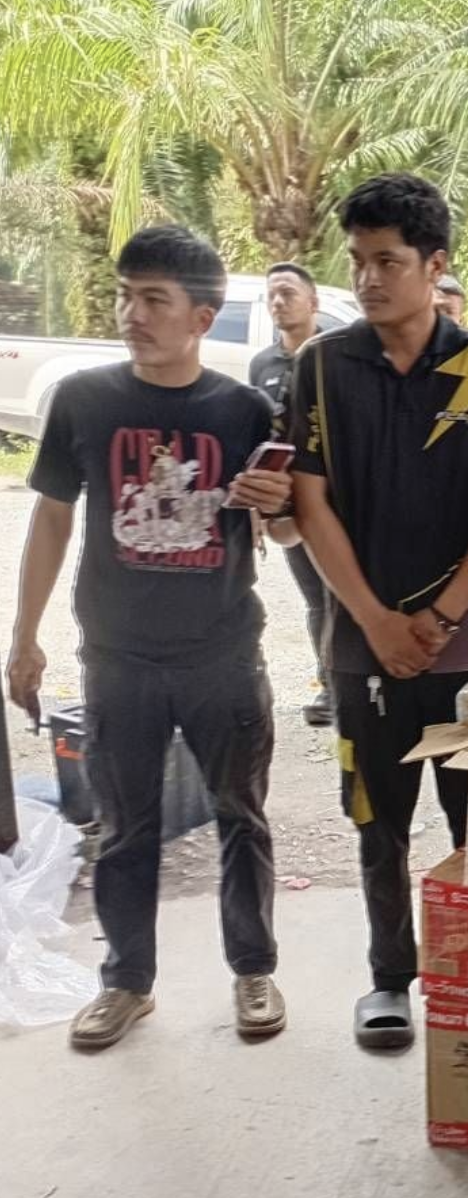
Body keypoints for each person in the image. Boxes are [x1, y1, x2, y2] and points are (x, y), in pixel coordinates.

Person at [6, 225, 295, 1049]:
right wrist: (25, 636)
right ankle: (126, 983)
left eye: (153, 300)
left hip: (223, 654)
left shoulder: (244, 410)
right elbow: (53, 518)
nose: (131, 314)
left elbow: (285, 534)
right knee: (126, 828)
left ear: (201, 318)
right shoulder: (84, 399)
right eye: (125, 296)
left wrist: (279, 505)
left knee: (242, 815)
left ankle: (254, 970)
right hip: (118, 656)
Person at [286, 173, 468, 1048]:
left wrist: (438, 619)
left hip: (465, 650)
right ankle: (389, 979)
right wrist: (372, 620)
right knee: (378, 821)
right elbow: (310, 504)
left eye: (387, 261)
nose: (367, 279)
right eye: (357, 260)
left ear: (436, 266)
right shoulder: (321, 366)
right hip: (359, 650)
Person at [248, 262, 333, 725]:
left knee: (344, 593)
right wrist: (259, 509)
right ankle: (329, 686)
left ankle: (352, 685)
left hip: (337, 503)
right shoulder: (262, 365)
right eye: (272, 296)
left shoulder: (337, 356)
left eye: (288, 293)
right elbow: (258, 438)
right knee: (316, 598)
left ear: (312, 302)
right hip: (287, 505)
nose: (279, 303)